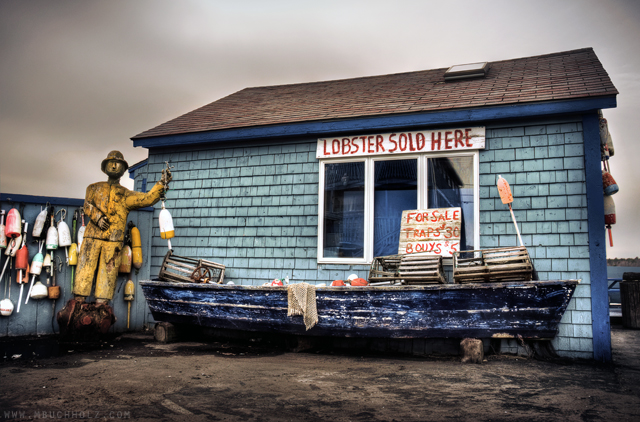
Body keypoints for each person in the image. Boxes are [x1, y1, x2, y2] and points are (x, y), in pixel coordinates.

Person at [58, 151, 171, 336]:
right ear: (104, 167)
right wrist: (97, 217)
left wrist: (161, 185)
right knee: (85, 269)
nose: (113, 166)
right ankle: (78, 302)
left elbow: (147, 199)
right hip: (92, 238)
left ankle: (101, 307)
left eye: (117, 163)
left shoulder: (126, 195)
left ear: (124, 169)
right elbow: (87, 205)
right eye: (110, 163)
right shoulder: (93, 188)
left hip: (113, 242)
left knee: (107, 275)